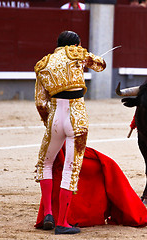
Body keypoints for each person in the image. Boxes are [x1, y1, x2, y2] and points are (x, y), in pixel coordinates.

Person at [34, 30, 106, 235]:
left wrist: (48, 123)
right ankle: (62, 222)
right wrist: (86, 58)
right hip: (76, 117)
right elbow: (101, 65)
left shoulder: (43, 65)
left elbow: (40, 102)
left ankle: (49, 213)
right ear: (77, 44)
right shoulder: (77, 54)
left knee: (45, 163)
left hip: (55, 116)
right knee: (71, 168)